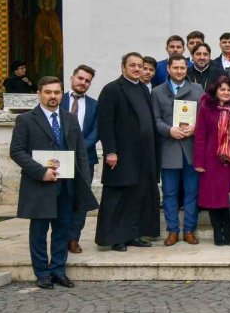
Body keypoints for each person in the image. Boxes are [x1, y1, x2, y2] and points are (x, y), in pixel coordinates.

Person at [10, 76, 98, 288]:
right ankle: (42, 273)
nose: (52, 96)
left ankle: (58, 269)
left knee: (63, 229)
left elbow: (80, 153)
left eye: (56, 92)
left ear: (61, 94)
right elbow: (17, 151)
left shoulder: (70, 119)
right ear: (39, 94)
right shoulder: (26, 120)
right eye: (48, 92)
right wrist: (41, 172)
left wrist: (84, 181)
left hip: (66, 185)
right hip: (40, 185)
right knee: (39, 231)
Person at [95, 52, 160, 251]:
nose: (137, 69)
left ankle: (134, 234)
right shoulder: (112, 89)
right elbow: (105, 124)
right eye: (132, 65)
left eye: (140, 65)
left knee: (138, 196)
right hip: (122, 154)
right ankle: (116, 238)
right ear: (123, 67)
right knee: (118, 197)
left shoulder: (143, 89)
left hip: (143, 155)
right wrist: (110, 152)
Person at [194, 75, 230, 246]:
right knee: (213, 200)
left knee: (229, 200)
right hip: (211, 161)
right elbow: (200, 136)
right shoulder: (206, 108)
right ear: (216, 91)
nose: (226, 92)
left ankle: (228, 232)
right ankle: (217, 233)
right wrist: (199, 162)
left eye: (229, 89)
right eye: (222, 89)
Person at [152, 54, 203, 245]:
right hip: (169, 148)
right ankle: (172, 230)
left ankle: (189, 229)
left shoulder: (197, 89)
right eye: (176, 68)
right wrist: (169, 130)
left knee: (192, 191)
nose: (180, 71)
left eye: (183, 68)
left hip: (191, 149)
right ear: (168, 69)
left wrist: (195, 127)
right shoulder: (157, 92)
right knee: (170, 193)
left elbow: (204, 117)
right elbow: (155, 120)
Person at [61, 64, 99, 254]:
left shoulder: (94, 104)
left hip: (85, 159)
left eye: (87, 81)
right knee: (61, 198)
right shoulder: (57, 100)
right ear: (72, 78)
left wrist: (79, 148)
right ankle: (61, 236)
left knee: (80, 199)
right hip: (58, 158)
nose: (83, 83)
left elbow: (95, 132)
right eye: (80, 78)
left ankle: (74, 238)